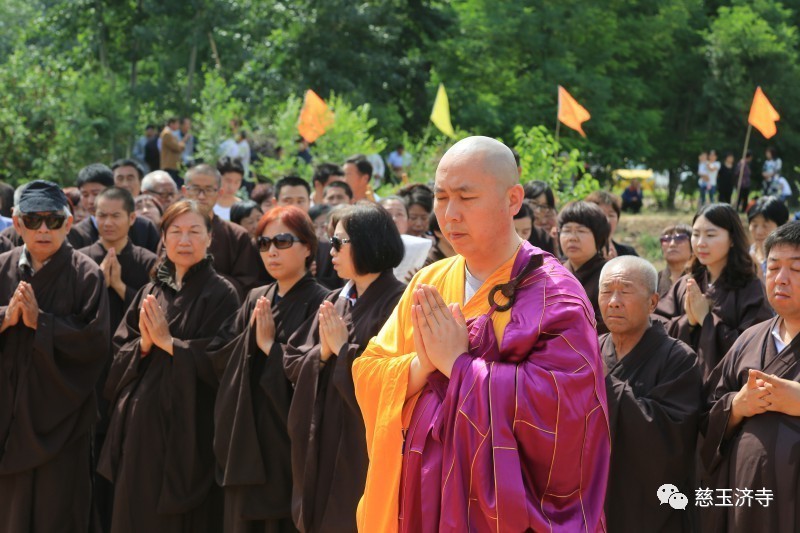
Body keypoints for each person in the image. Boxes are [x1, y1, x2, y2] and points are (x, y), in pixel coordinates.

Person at [352, 137, 609, 532]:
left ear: (513, 199)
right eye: (441, 197)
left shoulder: (554, 295)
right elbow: (369, 369)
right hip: (420, 502)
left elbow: (564, 412)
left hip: (500, 514)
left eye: (466, 197)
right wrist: (424, 364)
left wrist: (458, 366)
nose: (449, 215)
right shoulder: (430, 281)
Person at [98, 200, 240, 533]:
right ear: (163, 238)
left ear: (209, 238)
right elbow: (119, 351)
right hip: (139, 427)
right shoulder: (151, 290)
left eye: (194, 231)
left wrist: (171, 344)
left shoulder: (223, 293)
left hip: (188, 430)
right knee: (133, 509)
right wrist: (145, 345)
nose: (184, 240)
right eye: (175, 232)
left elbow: (225, 360)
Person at [283, 203, 406, 533]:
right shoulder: (336, 300)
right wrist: (323, 353)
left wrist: (343, 351)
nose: (330, 251)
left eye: (338, 243)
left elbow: (398, 378)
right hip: (323, 432)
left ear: (367, 242)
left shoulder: (399, 301)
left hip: (363, 442)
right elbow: (294, 360)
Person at [209, 206, 329, 533]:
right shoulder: (255, 298)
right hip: (245, 435)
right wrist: (249, 345)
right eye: (263, 243)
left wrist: (270, 349)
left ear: (308, 246)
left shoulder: (324, 303)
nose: (271, 251)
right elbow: (220, 356)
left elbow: (317, 375)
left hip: (286, 443)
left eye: (282, 241)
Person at [0, 180, 110, 532]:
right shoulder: (1, 268)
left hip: (63, 417)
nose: (43, 229)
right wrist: (5, 317)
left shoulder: (86, 274)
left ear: (68, 222)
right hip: (5, 415)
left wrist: (41, 324)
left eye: (52, 220)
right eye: (33, 221)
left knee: (58, 509)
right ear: (17, 224)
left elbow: (95, 342)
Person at [701, 221, 800, 532]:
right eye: (773, 268)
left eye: (796, 269)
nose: (781, 279)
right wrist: (737, 406)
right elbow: (708, 412)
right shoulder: (750, 339)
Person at [598, 256, 702, 532]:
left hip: (650, 508)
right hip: (594, 498)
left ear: (653, 302)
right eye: (606, 291)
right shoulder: (590, 352)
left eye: (626, 291)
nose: (614, 301)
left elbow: (671, 437)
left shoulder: (679, 359)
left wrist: (603, 383)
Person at [77, 187, 158, 531]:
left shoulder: (149, 263)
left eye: (115, 216)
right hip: (87, 377)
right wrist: (97, 281)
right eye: (101, 215)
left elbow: (155, 320)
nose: (107, 222)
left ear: (132, 218)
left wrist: (122, 288)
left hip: (130, 375)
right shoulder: (79, 259)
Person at [655, 203, 773, 379]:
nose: (701, 243)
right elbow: (657, 326)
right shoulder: (687, 283)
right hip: (680, 388)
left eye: (710, 235)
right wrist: (689, 321)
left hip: (724, 393)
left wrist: (706, 319)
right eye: (695, 235)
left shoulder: (750, 288)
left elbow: (755, 347)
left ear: (732, 239)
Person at [182, 164, 268, 297]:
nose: (201, 196)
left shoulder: (237, 235)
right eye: (195, 189)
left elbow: (247, 283)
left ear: (219, 193)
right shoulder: (172, 230)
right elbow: (161, 273)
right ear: (184, 191)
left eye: (209, 190)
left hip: (222, 311)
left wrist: (205, 277)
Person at [70, 163, 161, 253]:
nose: (90, 201)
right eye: (85, 195)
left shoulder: (144, 227)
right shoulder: (76, 233)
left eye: (96, 193)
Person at [559, 200, 612, 334]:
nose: (572, 238)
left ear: (599, 237)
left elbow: (604, 323)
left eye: (581, 231)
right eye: (566, 230)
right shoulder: (552, 271)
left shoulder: (609, 275)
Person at [380, 196, 433, 281]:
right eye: (388, 214)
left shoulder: (424, 250)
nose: (394, 219)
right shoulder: (371, 250)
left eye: (399, 214)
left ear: (407, 220)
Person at [748, 196, 790, 282]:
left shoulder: (790, 261)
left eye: (766, 226)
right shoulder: (744, 256)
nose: (759, 232)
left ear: (781, 227)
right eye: (754, 225)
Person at [585, 190, 638, 257]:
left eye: (611, 215)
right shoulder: (577, 254)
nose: (607, 220)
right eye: (601, 214)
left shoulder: (628, 254)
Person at [657, 223, 693, 297]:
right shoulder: (653, 281)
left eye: (680, 238)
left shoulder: (703, 280)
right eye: (666, 239)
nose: (672, 244)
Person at [522, 180, 556, 254]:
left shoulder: (544, 237)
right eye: (534, 203)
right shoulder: (508, 228)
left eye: (544, 206)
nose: (538, 211)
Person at [160, 117, 191, 187]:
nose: (178, 126)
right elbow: (177, 148)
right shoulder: (167, 134)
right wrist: (184, 140)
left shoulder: (170, 133)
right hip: (169, 165)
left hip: (174, 165)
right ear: (171, 124)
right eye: (177, 124)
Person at [214, 157, 245, 221]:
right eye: (228, 181)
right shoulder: (207, 203)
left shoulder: (242, 208)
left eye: (237, 182)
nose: (232, 187)